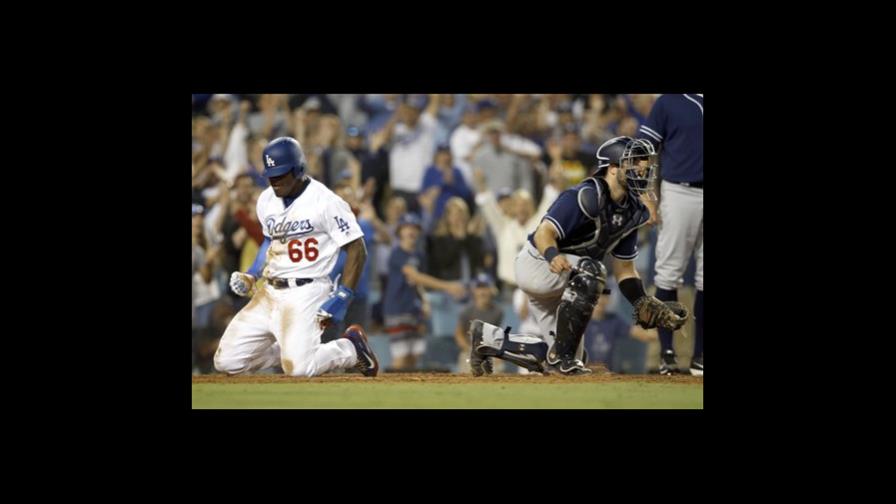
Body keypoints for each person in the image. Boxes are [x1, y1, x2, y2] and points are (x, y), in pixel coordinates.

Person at [468, 136, 688, 375]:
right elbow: (545, 232)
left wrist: (641, 301)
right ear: (613, 168)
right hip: (539, 265)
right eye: (634, 162)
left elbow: (624, 269)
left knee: (568, 360)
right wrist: (552, 255)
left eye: (644, 163)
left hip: (567, 277)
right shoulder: (585, 195)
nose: (643, 168)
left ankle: (487, 338)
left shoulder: (632, 210)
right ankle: (561, 357)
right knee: (592, 272)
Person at [214, 137, 380, 377]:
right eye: (271, 174)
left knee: (300, 369)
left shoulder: (326, 201)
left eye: (281, 174)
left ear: (299, 169)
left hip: (307, 291)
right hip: (269, 291)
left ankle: (350, 349)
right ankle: (292, 347)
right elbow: (271, 241)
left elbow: (357, 247)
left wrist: (343, 295)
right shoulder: (266, 200)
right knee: (227, 362)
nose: (275, 180)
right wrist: (252, 273)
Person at [637, 94, 703, 375]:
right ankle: (667, 353)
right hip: (679, 190)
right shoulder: (670, 101)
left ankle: (700, 355)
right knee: (668, 273)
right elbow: (642, 152)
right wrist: (648, 195)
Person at [382, 213, 466, 370]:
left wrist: (424, 302)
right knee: (400, 357)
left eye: (415, 228)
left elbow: (417, 284)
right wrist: (447, 286)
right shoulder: (397, 253)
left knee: (414, 357)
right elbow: (414, 276)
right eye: (407, 227)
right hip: (398, 308)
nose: (411, 231)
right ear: (400, 231)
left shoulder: (419, 255)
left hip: (414, 309)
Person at [455, 273, 503, 374]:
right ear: (474, 290)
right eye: (479, 288)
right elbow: (459, 334)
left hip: (490, 352)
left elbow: (499, 335)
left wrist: (499, 353)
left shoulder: (497, 311)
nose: (482, 292)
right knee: (468, 370)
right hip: (470, 351)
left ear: (491, 290)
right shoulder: (467, 311)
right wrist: (469, 350)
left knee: (498, 370)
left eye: (485, 288)